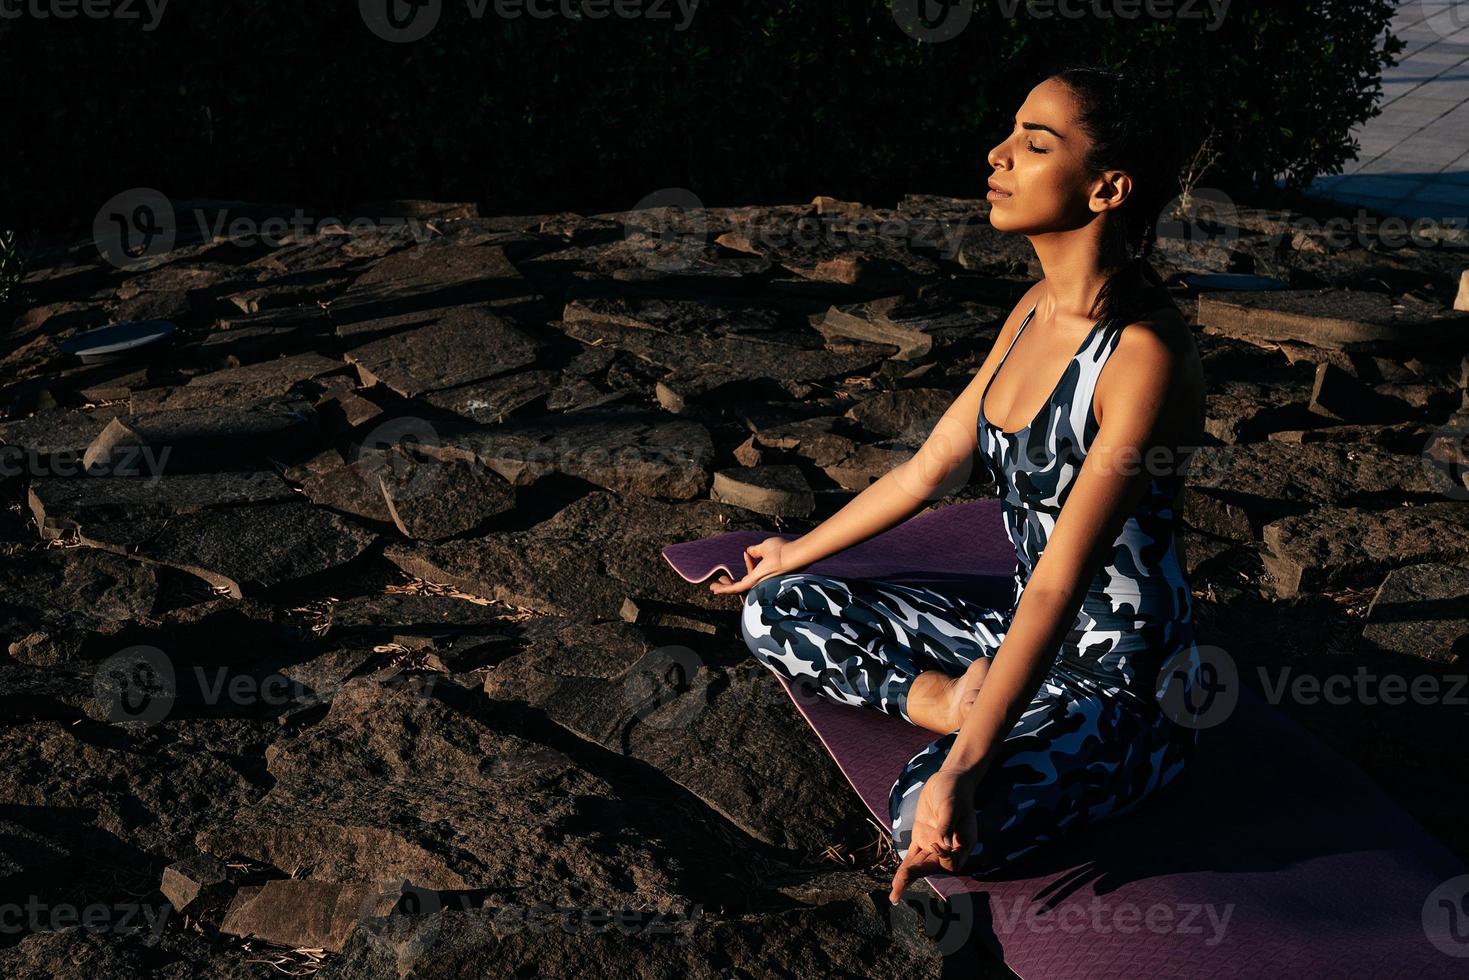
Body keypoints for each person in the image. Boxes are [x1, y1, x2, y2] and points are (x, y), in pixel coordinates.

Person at [710, 65, 1208, 905]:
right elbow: (924, 470)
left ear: (1106, 188)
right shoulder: (1029, 311)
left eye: (1033, 143)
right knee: (773, 604)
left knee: (927, 814)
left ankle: (1011, 740)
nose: (998, 153)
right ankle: (939, 700)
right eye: (1011, 133)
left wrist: (964, 770)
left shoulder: (1141, 357)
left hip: (1122, 683)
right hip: (1017, 632)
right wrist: (793, 552)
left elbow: (1060, 580)